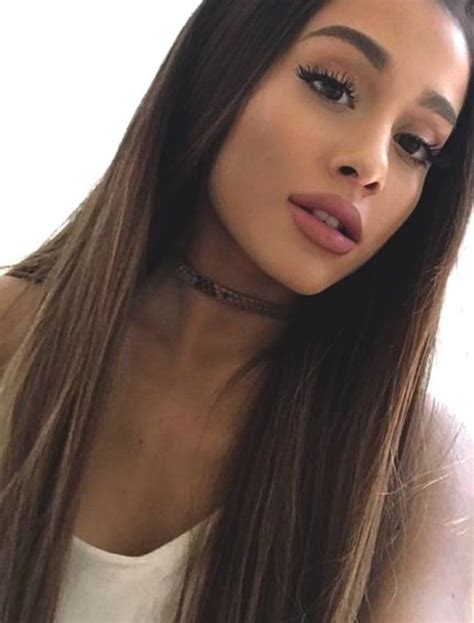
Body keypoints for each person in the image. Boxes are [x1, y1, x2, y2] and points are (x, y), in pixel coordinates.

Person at [0, 0, 472, 620]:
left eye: (414, 144)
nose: (372, 165)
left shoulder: (421, 471)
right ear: (223, 64)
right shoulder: (11, 333)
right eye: (332, 87)